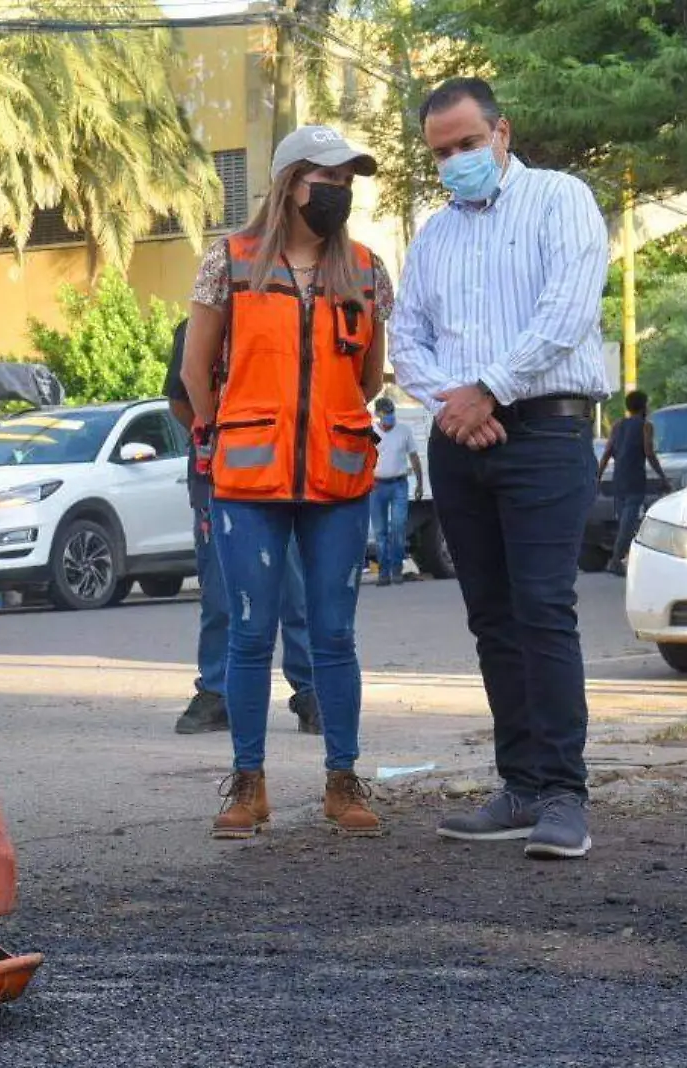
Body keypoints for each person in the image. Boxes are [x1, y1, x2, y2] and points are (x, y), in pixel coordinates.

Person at [389, 78, 609, 860]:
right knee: (493, 618)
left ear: (502, 133)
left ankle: (563, 796)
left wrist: (491, 391)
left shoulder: (560, 200)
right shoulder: (434, 237)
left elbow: (568, 312)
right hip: (462, 440)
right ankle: (518, 785)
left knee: (544, 609)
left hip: (546, 431)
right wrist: (455, 404)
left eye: (467, 144)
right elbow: (405, 336)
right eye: (441, 152)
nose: (455, 161)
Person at [180, 126, 392, 840]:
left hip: (337, 474)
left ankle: (343, 779)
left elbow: (367, 378)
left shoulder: (366, 270)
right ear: (290, 182)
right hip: (247, 476)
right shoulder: (230, 263)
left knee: (335, 634)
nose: (341, 191)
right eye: (328, 178)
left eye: (348, 180)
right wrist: (228, 433)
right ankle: (248, 784)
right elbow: (193, 372)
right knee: (249, 634)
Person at [163, 317, 321, 737]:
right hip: (217, 476)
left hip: (282, 473)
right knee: (220, 592)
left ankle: (311, 691)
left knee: (295, 590)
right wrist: (216, 433)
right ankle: (218, 693)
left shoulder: (288, 318)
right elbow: (180, 399)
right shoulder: (197, 326)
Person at [597, 390, 666, 576]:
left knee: (624, 522)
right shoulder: (646, 426)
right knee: (628, 522)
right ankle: (615, 560)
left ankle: (621, 559)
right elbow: (649, 452)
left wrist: (598, 477)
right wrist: (662, 477)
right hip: (635, 480)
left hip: (618, 480)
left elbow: (607, 453)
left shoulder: (618, 425)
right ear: (644, 406)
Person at [369, 397, 425, 587]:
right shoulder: (371, 433)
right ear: (378, 415)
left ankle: (396, 570)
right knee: (380, 532)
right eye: (386, 416)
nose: (389, 419)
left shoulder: (404, 431)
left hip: (399, 485)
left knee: (398, 528)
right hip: (376, 487)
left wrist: (419, 483)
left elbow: (414, 457)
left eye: (392, 415)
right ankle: (383, 573)